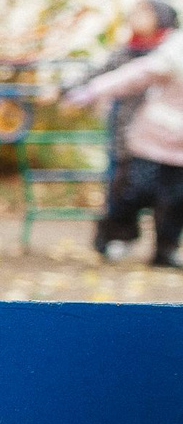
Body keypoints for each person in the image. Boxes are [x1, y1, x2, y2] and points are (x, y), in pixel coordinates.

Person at [65, 21, 183, 268]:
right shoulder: (176, 50)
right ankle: (113, 236)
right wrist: (92, 91)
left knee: (176, 199)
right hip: (155, 137)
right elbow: (135, 75)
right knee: (134, 190)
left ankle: (165, 250)